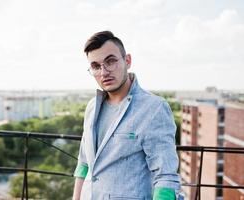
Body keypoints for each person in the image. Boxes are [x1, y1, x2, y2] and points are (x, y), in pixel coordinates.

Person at [73, 31, 181, 200]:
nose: (104, 72)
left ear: (127, 61)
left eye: (110, 61)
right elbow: (84, 163)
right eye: (96, 66)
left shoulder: (153, 108)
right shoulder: (92, 107)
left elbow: (165, 178)